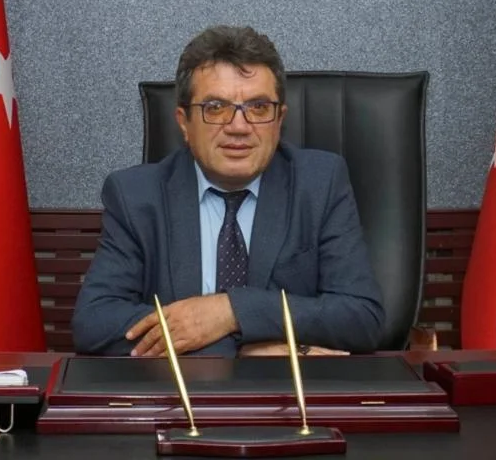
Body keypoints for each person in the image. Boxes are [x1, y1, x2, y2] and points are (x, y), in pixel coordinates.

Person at [72, 25, 385, 357]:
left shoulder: (320, 184)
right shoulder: (136, 196)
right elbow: (95, 323)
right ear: (183, 122)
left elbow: (362, 318)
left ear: (279, 120)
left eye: (259, 108)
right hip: (181, 390)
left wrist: (230, 311)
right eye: (215, 108)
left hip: (290, 390)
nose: (238, 126)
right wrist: (243, 350)